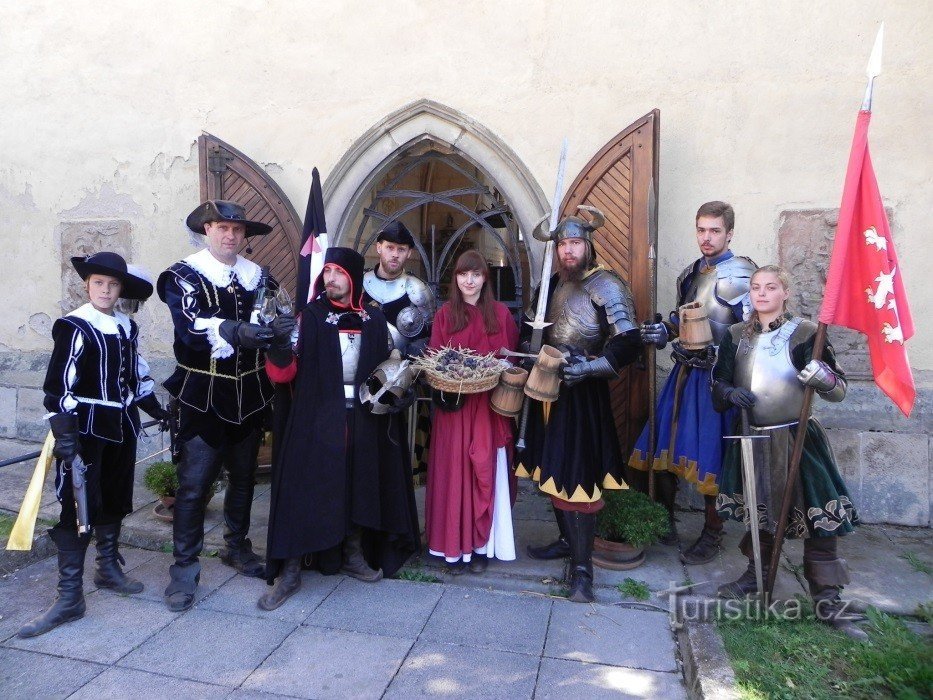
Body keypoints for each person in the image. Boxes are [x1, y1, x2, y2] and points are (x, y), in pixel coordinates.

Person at [258, 247, 419, 611]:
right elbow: (281, 374)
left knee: (359, 482)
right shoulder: (310, 318)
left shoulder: (374, 320)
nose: (330, 278)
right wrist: (280, 344)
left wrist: (400, 393)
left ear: (353, 277)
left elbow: (388, 370)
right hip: (315, 419)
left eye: (338, 272)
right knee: (306, 488)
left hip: (363, 417)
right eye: (327, 271)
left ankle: (352, 553)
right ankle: (292, 568)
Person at [19, 252, 167, 638]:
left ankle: (107, 569)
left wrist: (158, 409)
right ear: (87, 285)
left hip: (122, 423)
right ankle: (69, 596)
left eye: (113, 284)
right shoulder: (74, 326)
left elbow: (137, 374)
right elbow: (59, 384)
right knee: (77, 505)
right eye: (99, 282)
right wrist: (65, 434)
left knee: (115, 497)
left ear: (120, 289)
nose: (105, 289)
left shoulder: (126, 327)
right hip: (84, 428)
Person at [712, 265, 864, 639]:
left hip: (797, 437)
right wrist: (729, 393)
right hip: (752, 435)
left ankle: (828, 599)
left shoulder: (807, 334)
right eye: (757, 287)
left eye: (771, 287)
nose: (762, 293)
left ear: (785, 293)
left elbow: (839, 389)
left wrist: (821, 376)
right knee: (759, 511)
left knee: (820, 514)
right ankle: (756, 576)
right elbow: (717, 384)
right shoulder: (735, 336)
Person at [157, 200, 294, 612]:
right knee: (194, 485)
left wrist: (280, 329)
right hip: (204, 395)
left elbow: (273, 315)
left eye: (237, 229)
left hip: (251, 395)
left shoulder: (259, 276)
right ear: (206, 230)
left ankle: (237, 547)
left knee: (245, 478)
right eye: (221, 227)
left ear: (244, 236)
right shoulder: (181, 275)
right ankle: (184, 569)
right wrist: (234, 329)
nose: (230, 235)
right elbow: (189, 326)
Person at [518, 207, 643, 602]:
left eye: (574, 243)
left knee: (579, 479)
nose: (567, 251)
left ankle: (583, 570)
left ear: (587, 245)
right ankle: (564, 541)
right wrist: (530, 351)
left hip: (582, 393)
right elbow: (530, 333)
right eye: (562, 245)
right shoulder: (550, 285)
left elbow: (628, 342)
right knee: (551, 470)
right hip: (545, 386)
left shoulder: (606, 284)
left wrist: (589, 368)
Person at [630, 201, 756, 562]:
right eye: (701, 229)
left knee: (708, 456)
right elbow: (683, 317)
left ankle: (712, 533)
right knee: (660, 445)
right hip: (684, 372)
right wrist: (663, 331)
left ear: (729, 233)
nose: (707, 237)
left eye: (715, 230)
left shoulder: (742, 274)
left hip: (716, 381)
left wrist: (730, 373)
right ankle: (664, 518)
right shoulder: (690, 273)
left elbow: (752, 333)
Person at [425, 250, 519, 574]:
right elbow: (435, 359)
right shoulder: (444, 316)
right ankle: (453, 549)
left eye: (476, 274)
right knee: (454, 476)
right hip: (455, 409)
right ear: (456, 278)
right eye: (464, 274)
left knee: (484, 472)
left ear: (484, 278)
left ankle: (481, 547)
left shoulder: (500, 314)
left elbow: (511, 360)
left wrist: (497, 368)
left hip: (487, 409)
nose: (469, 280)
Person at [362, 220, 435, 356]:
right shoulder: (359, 284)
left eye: (401, 249)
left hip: (403, 370)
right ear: (379, 248)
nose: (395, 254)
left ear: (409, 253)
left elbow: (432, 336)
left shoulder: (418, 289)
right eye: (390, 247)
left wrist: (411, 354)